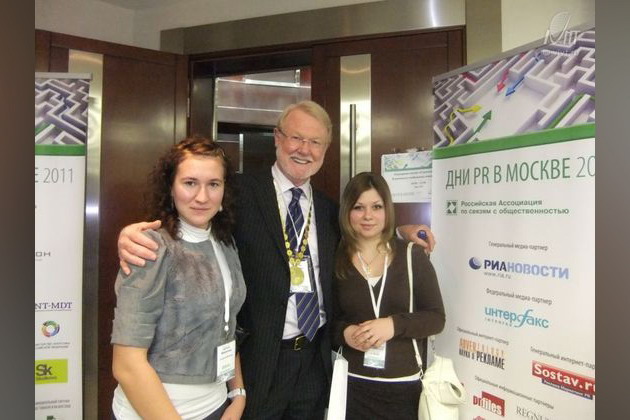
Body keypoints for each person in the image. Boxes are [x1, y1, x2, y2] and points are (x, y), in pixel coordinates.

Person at [116, 100, 436, 419]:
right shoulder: (237, 193)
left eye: (315, 142)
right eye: (296, 137)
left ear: (325, 149)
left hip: (313, 359)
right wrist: (132, 235)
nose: (304, 150)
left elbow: (361, 234)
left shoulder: (328, 210)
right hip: (259, 361)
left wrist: (400, 231)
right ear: (277, 138)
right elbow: (192, 221)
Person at [110, 137, 247, 420]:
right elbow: (127, 366)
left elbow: (227, 325)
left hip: (216, 406)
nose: (202, 197)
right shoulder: (149, 247)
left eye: (213, 184)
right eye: (190, 183)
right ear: (170, 187)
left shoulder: (225, 243)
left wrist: (237, 394)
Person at [332, 172, 445, 420]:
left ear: (387, 210)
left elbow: (436, 318)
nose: (368, 216)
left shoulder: (411, 255)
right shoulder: (337, 258)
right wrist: (345, 333)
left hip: (403, 388)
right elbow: (329, 320)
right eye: (359, 207)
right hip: (352, 386)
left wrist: (393, 325)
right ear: (347, 212)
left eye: (377, 207)